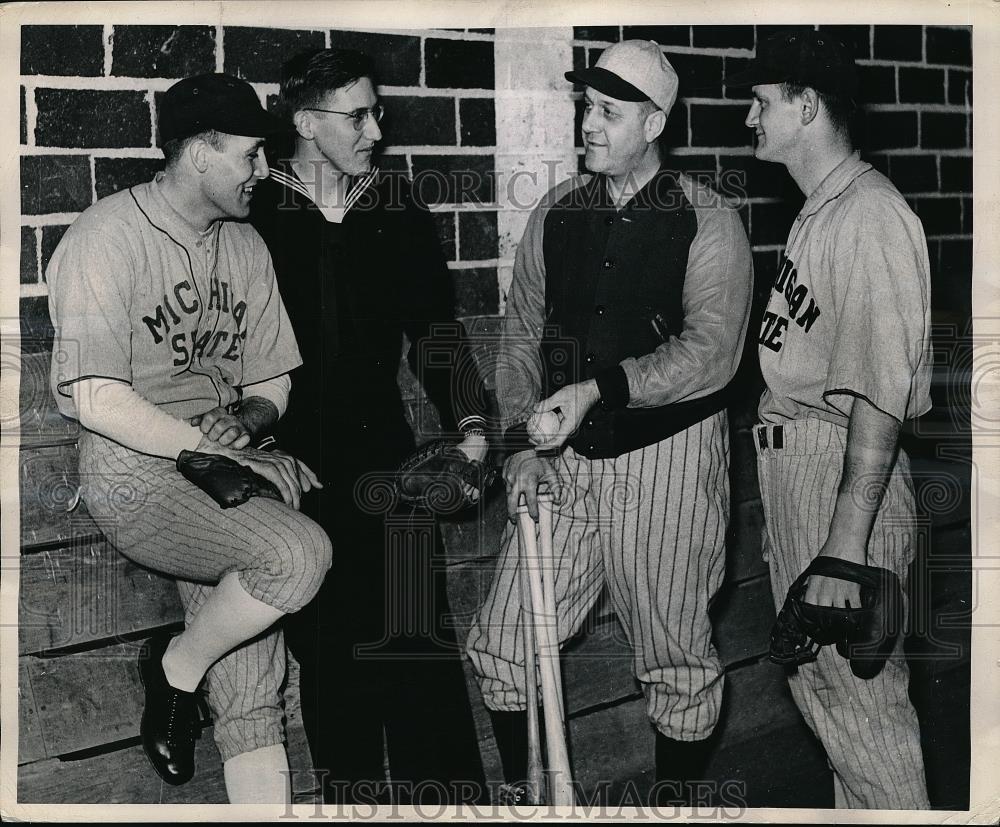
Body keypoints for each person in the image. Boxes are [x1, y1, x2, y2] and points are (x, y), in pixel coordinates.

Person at [464, 39, 753, 805]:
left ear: (655, 122)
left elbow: (713, 352)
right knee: (500, 645)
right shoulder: (559, 213)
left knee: (675, 665)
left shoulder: (708, 218)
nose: (590, 125)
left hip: (669, 462)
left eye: (610, 112)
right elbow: (521, 331)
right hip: (564, 461)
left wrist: (601, 389)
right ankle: (532, 800)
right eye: (587, 108)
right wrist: (519, 444)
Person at [45, 73, 332, 803]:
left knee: (253, 677)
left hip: (218, 465)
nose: (264, 172)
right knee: (298, 553)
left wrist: (250, 423)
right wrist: (210, 450)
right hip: (134, 468)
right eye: (252, 154)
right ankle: (173, 667)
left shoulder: (246, 245)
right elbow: (92, 393)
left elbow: (273, 383)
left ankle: (189, 679)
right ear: (201, 151)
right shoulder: (105, 237)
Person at [248, 48, 490, 805]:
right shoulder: (254, 213)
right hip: (293, 473)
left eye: (378, 111)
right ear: (306, 122)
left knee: (421, 651)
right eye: (359, 115)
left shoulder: (395, 206)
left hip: (388, 459)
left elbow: (436, 335)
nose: (377, 130)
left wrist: (474, 428)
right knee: (334, 666)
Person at [728, 29, 932, 808]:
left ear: (806, 105)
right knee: (835, 713)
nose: (748, 117)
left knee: (868, 723)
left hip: (841, 482)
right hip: (801, 471)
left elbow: (880, 399)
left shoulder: (874, 218)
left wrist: (845, 551)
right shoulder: (824, 209)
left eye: (760, 102)